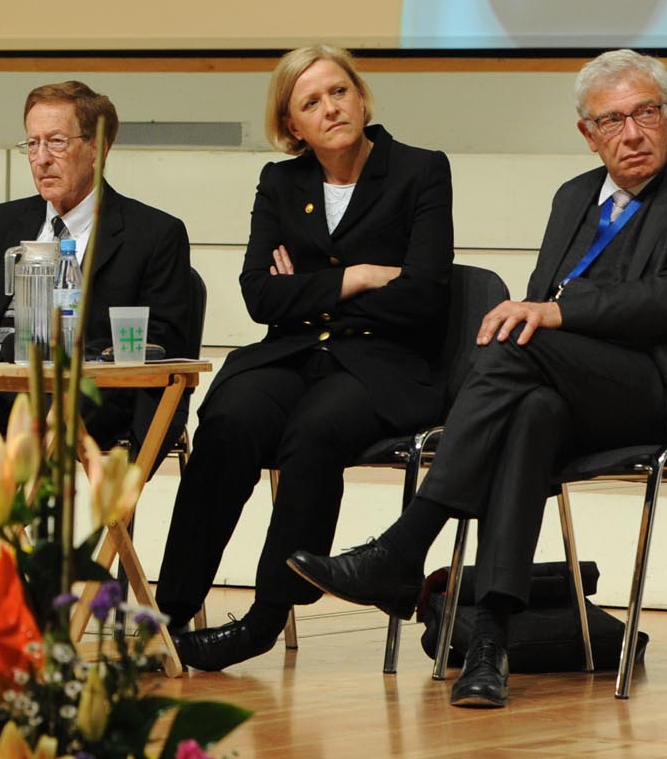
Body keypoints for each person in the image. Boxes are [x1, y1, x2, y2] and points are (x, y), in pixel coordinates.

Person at [288, 49, 667, 709]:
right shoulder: (574, 197)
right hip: (573, 383)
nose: (631, 133)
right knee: (530, 408)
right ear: (587, 134)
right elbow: (543, 297)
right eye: (612, 120)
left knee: (516, 341)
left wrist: (558, 313)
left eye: (646, 114)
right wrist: (546, 314)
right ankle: (490, 642)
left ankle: (406, 544)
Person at [156, 46, 454, 670]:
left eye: (338, 92)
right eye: (310, 102)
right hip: (291, 353)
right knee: (230, 422)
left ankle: (266, 617)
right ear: (293, 126)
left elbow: (425, 295)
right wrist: (362, 276)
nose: (330, 108)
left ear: (361, 96)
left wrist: (311, 290)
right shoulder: (281, 181)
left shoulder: (420, 170)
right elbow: (260, 296)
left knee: (313, 432)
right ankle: (169, 613)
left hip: (384, 365)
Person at [0, 81, 196, 572]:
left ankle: (16, 593)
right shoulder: (2, 222)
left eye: (57, 142)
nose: (41, 158)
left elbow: (167, 341)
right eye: (32, 143)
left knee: (41, 453)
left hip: (86, 398)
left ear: (98, 146)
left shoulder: (154, 234)